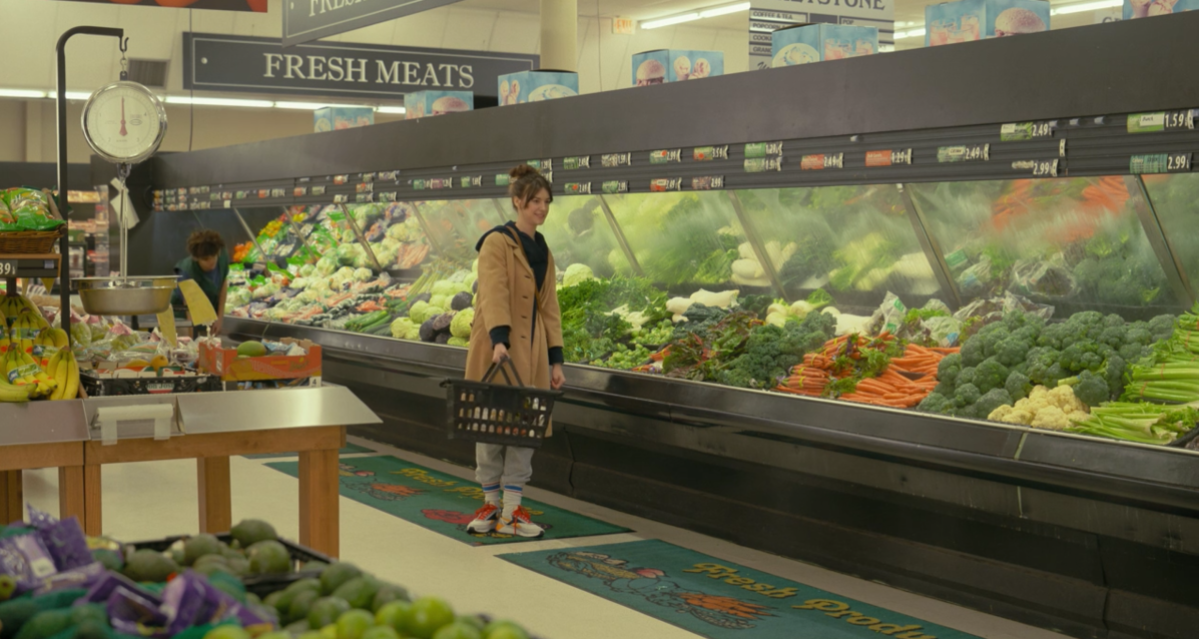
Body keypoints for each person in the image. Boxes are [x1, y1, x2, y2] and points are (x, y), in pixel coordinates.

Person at [463, 164, 566, 538]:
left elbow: (550, 307)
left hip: (533, 351)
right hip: (497, 348)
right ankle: (490, 504)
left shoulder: (544, 251)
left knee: (525, 428)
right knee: (489, 424)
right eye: (535, 200)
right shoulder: (496, 242)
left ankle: (511, 512)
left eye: (546, 201)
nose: (542, 207)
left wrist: (556, 360)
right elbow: (492, 292)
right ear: (517, 201)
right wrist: (499, 339)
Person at [172, 229, 230, 336]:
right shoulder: (186, 272)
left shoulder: (222, 255)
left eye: (213, 257)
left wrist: (219, 318)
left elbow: (223, 284)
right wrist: (191, 338)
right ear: (196, 258)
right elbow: (188, 307)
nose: (211, 262)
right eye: (205, 259)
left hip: (207, 312)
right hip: (182, 315)